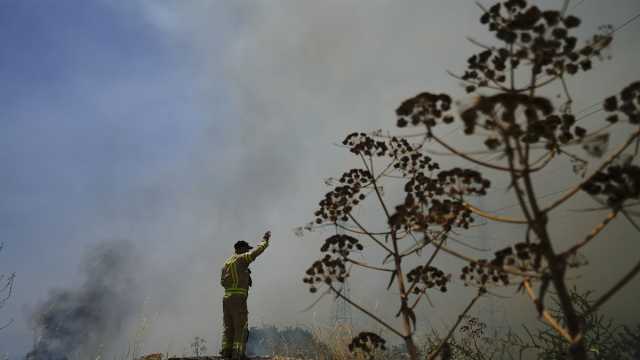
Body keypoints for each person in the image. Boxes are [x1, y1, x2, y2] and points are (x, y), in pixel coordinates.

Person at [219, 230, 271, 360]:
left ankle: (226, 354)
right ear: (241, 249)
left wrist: (244, 275)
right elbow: (256, 252)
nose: (247, 251)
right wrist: (265, 240)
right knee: (241, 327)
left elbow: (223, 282)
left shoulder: (227, 263)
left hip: (226, 299)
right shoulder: (241, 259)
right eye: (246, 249)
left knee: (228, 327)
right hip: (238, 299)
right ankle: (238, 354)